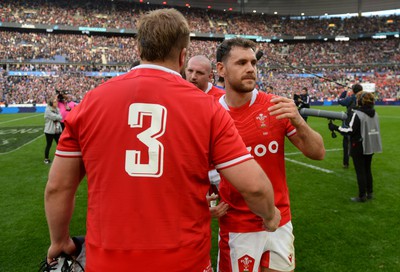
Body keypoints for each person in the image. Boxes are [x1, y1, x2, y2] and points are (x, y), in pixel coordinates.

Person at [44, 9, 281, 272]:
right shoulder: (207, 107)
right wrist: (271, 217)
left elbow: (58, 187)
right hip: (185, 259)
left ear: (138, 50)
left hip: (108, 259)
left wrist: (59, 240)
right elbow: (255, 187)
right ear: (182, 57)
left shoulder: (91, 101)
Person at [215, 37, 325, 272]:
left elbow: (318, 153)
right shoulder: (211, 113)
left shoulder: (275, 106)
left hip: (279, 220)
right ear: (221, 69)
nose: (250, 69)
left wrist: (299, 121)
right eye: (241, 62)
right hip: (238, 225)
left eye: (253, 63)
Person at [329, 91, 382, 202]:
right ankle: (370, 192)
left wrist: (335, 127)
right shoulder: (375, 113)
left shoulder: (357, 114)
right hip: (370, 145)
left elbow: (350, 131)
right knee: (367, 169)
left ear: (360, 101)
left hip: (359, 145)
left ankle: (362, 196)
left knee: (360, 171)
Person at [338, 83, 363, 168]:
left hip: (349, 123)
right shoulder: (363, 98)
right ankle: (359, 162)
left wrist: (345, 91)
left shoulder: (351, 98)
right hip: (360, 123)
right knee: (359, 142)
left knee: (346, 143)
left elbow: (340, 100)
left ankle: (346, 162)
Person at [43, 96, 62, 164]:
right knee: (49, 144)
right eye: (55, 102)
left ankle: (60, 157)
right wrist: (58, 117)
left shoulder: (57, 109)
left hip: (57, 130)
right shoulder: (47, 110)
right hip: (49, 131)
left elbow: (60, 117)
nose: (57, 103)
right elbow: (55, 117)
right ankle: (46, 159)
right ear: (51, 103)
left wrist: (58, 117)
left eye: (56, 101)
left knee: (60, 144)